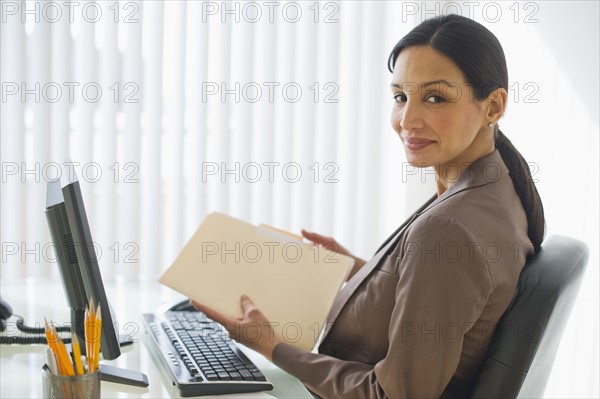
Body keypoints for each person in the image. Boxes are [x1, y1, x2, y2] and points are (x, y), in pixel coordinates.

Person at [192, 14, 545, 398]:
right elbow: (445, 295)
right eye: (400, 97)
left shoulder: (451, 228)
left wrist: (272, 347)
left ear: (493, 106)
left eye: (435, 97)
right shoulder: (494, 186)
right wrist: (360, 271)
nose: (407, 120)